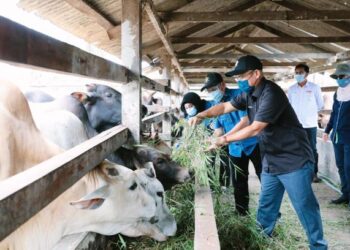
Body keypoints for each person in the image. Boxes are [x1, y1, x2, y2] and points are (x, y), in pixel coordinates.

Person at [189, 55, 327, 249]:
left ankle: (318, 246)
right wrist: (202, 114)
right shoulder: (249, 94)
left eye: (241, 76)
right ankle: (260, 240)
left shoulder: (272, 93)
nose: (238, 81)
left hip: (293, 160)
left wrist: (223, 140)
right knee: (266, 207)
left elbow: (255, 128)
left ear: (256, 73)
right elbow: (225, 107)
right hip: (271, 159)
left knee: (305, 206)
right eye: (236, 78)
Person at [201, 72, 262, 216]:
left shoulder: (238, 95)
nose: (211, 93)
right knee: (239, 181)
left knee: (265, 178)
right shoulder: (216, 104)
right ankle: (241, 212)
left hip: (253, 143)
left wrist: (224, 139)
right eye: (209, 91)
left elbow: (245, 121)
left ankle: (272, 213)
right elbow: (218, 130)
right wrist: (208, 142)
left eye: (212, 89)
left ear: (222, 85)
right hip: (235, 147)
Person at [288, 63, 324, 183]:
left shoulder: (314, 87)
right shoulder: (292, 89)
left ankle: (313, 174)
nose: (298, 75)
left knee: (311, 149)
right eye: (296, 73)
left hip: (310, 124)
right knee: (296, 149)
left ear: (307, 73)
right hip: (296, 125)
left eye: (300, 72)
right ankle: (297, 172)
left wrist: (309, 113)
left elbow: (320, 105)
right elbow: (289, 106)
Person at [323, 63, 350, 208]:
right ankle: (345, 194)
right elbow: (334, 114)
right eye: (338, 77)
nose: (340, 79)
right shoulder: (337, 92)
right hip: (337, 136)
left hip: (349, 136)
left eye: (343, 76)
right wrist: (327, 130)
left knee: (348, 166)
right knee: (340, 165)